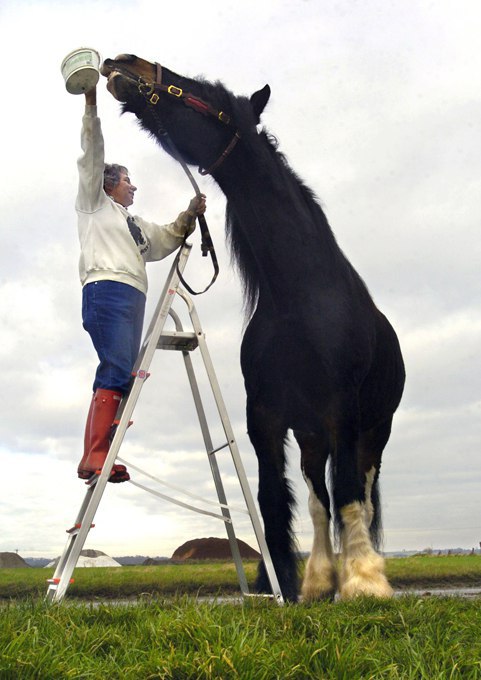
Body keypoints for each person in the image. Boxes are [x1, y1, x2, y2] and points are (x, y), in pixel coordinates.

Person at [75, 86, 206, 483]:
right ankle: (95, 456)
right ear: (109, 183)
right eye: (129, 181)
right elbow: (92, 157)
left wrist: (188, 215)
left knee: (125, 375)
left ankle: (103, 453)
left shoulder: (135, 225)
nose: (134, 187)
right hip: (107, 291)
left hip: (133, 296)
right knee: (116, 367)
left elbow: (165, 238)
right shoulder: (94, 204)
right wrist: (92, 107)